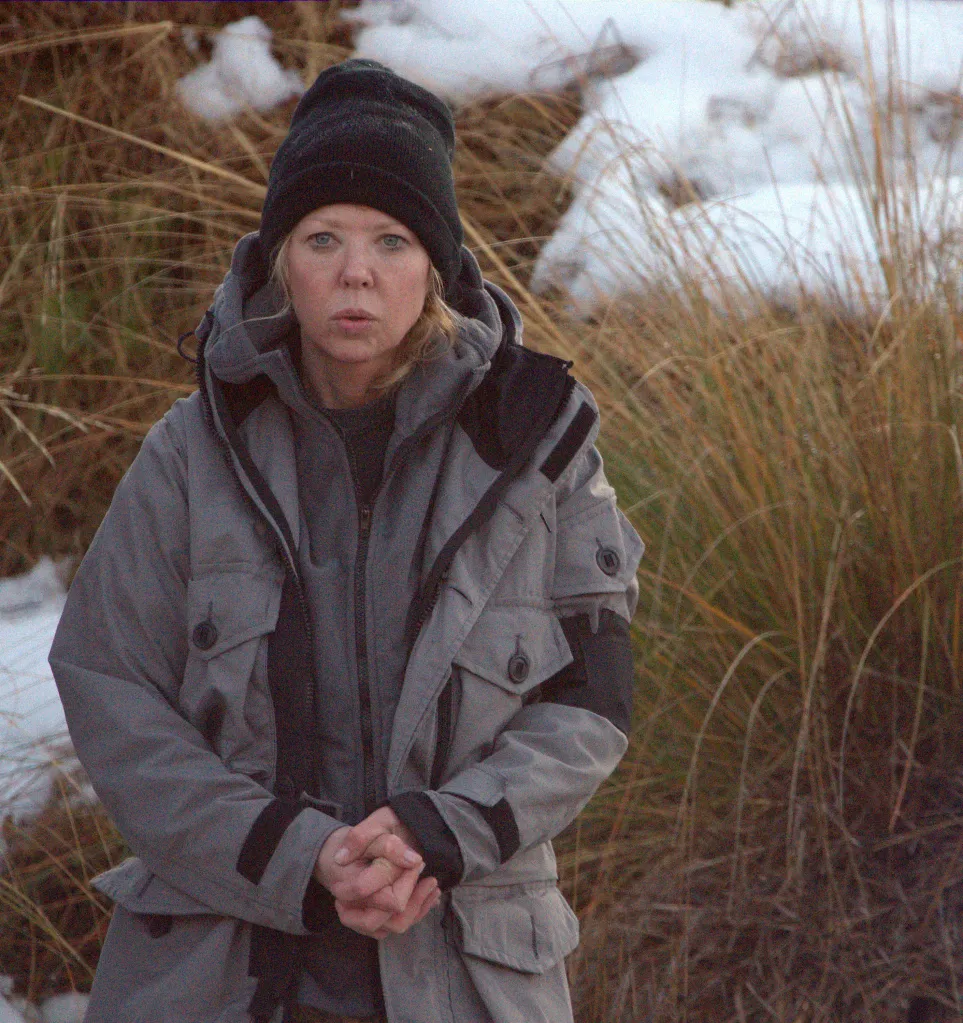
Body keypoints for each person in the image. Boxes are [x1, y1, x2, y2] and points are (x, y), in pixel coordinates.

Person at [49, 58, 643, 1023]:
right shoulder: (190, 454)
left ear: (439, 268)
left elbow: (591, 701)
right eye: (322, 237)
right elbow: (108, 684)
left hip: (467, 969)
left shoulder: (539, 447)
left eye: (392, 239)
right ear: (281, 258)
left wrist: (436, 834)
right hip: (220, 973)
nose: (355, 271)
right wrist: (297, 854)